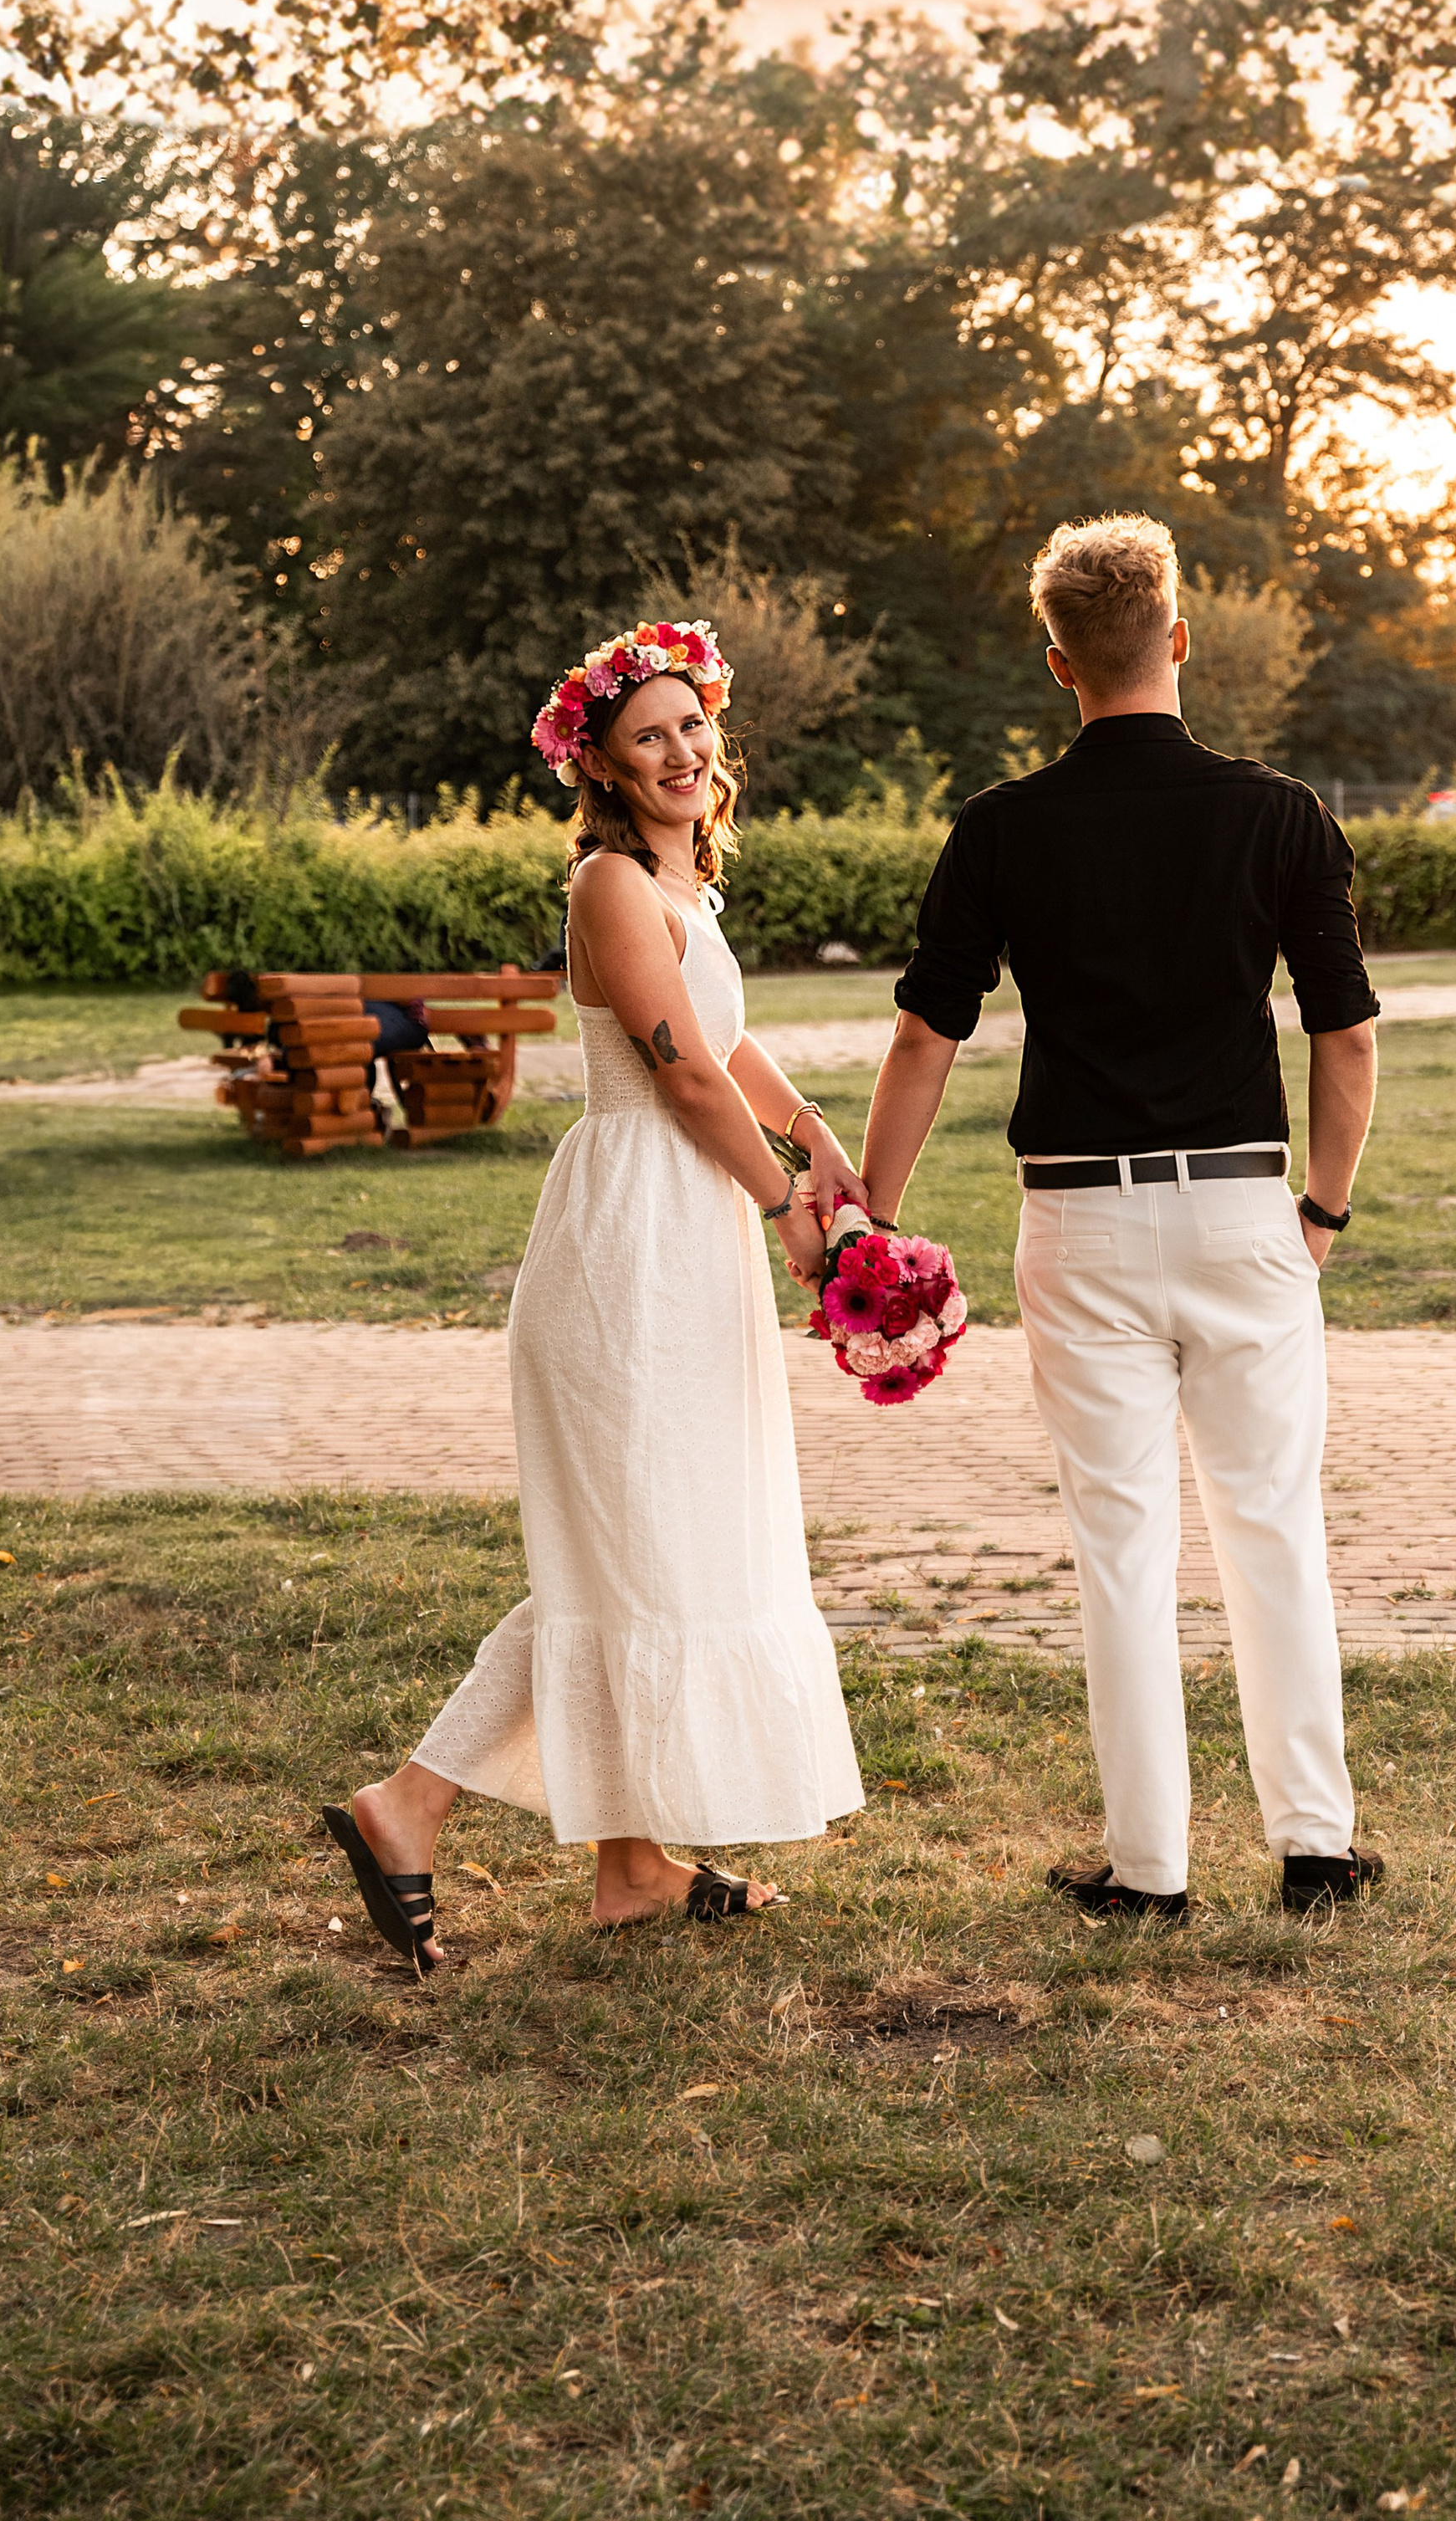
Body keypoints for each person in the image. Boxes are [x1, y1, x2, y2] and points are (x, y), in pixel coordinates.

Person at [860, 515, 1382, 1921]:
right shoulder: (1279, 814)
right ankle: (1316, 1850)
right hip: (1241, 1207)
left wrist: (875, 1227)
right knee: (1273, 1523)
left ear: (1056, 663)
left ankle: (1148, 1873)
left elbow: (928, 1038)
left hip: (1079, 1224)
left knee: (1122, 1543)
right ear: (1182, 640)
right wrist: (1319, 1213)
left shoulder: (1003, 829)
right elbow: (1344, 1041)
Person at [324, 618, 865, 1970]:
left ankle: (632, 1872)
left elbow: (730, 1057)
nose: (681, 752)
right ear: (605, 766)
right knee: (622, 1558)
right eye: (648, 736)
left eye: (692, 725)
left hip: (690, 1242)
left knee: (664, 1549)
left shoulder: (685, 891)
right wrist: (786, 1204)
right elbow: (680, 1078)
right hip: (632, 1247)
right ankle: (407, 1805)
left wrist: (816, 1135)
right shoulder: (610, 888)